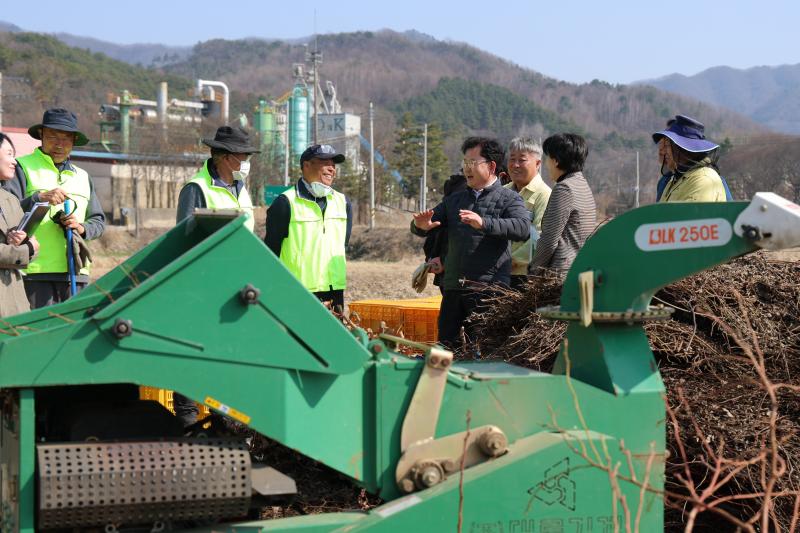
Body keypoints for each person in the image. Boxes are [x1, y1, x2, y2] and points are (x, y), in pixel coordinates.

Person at [412, 137, 530, 352]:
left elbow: (522, 228)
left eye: (472, 163)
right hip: (454, 287)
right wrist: (422, 225)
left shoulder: (509, 198)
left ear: (491, 166)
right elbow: (427, 223)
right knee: (447, 348)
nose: (466, 169)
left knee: (483, 351)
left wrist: (483, 223)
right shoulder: (455, 200)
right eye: (464, 163)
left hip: (488, 289)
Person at [3, 108, 105, 308]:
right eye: (52, 137)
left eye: (66, 139)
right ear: (41, 135)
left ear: (74, 140)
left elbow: (98, 221)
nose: (59, 144)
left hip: (76, 274)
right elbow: (6, 213)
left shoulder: (83, 176)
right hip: (33, 272)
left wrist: (81, 228)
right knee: (36, 336)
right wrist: (38, 198)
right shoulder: (21, 168)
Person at [265, 144, 353, 310]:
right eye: (325, 163)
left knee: (331, 336)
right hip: (295, 292)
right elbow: (271, 251)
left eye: (333, 165)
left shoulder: (343, 202)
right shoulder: (285, 202)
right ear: (306, 165)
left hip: (334, 292)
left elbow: (343, 245)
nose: (331, 169)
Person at [529, 133, 596, 275]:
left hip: (561, 274)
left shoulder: (564, 188)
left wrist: (534, 269)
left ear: (556, 161)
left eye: (547, 157)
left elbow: (549, 239)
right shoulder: (582, 185)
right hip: (580, 268)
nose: (546, 164)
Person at [177, 126, 259, 231]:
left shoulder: (241, 187)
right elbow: (185, 236)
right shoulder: (196, 189)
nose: (247, 163)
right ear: (226, 158)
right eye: (245, 158)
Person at [0, 134, 39, 317]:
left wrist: (26, 242)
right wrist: (26, 250)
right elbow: (26, 251)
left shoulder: (11, 199)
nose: (14, 161)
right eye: (9, 154)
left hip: (14, 299)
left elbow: (31, 244)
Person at [505, 137, 552, 290]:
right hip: (496, 273)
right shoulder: (502, 191)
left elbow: (540, 236)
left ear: (538, 164)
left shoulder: (544, 194)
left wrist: (512, 260)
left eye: (522, 160)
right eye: (512, 159)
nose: (515, 165)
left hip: (524, 275)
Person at [653, 115, 728, 203]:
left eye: (667, 145)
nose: (664, 151)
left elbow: (692, 215)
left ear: (681, 148)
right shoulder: (676, 179)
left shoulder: (704, 179)